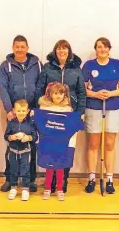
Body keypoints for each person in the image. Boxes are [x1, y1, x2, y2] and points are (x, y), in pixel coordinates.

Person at [35, 39, 86, 193]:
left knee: (66, 148)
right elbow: (39, 89)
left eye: (65, 49)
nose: (62, 51)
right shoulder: (47, 68)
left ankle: (63, 181)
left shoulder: (76, 69)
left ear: (69, 51)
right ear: (55, 51)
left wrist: (80, 112)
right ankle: (51, 182)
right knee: (52, 148)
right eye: (59, 49)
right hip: (50, 114)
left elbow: (82, 92)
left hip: (69, 114)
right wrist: (39, 109)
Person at [82, 37, 119, 194]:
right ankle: (92, 178)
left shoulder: (117, 64)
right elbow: (83, 90)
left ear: (109, 49)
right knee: (93, 144)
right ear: (95, 49)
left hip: (113, 108)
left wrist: (110, 94)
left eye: (105, 47)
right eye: (99, 47)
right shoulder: (89, 65)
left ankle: (109, 178)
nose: (102, 50)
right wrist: (95, 94)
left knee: (109, 144)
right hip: (94, 108)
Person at [0, 35, 42, 193]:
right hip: (13, 112)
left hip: (30, 112)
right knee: (12, 146)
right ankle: (10, 179)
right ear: (12, 47)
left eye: (23, 46)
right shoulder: (5, 66)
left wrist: (36, 108)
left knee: (31, 146)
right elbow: (2, 87)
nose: (20, 49)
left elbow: (40, 86)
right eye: (17, 46)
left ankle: (29, 180)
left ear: (27, 48)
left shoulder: (37, 64)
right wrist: (9, 109)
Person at [36, 82, 79, 201]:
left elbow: (71, 127)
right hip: (49, 144)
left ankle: (60, 189)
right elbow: (40, 125)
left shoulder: (68, 109)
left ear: (65, 95)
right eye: (55, 93)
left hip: (61, 145)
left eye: (61, 93)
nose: (58, 96)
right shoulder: (44, 109)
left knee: (60, 168)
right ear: (50, 95)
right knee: (49, 168)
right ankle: (47, 189)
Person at [4, 99, 38, 201]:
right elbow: (6, 136)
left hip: (25, 152)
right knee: (13, 170)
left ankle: (25, 189)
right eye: (18, 111)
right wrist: (11, 137)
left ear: (27, 111)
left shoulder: (30, 123)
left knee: (25, 170)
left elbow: (35, 137)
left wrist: (28, 138)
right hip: (13, 151)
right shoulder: (11, 123)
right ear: (14, 110)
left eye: (23, 111)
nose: (21, 113)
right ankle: (13, 188)